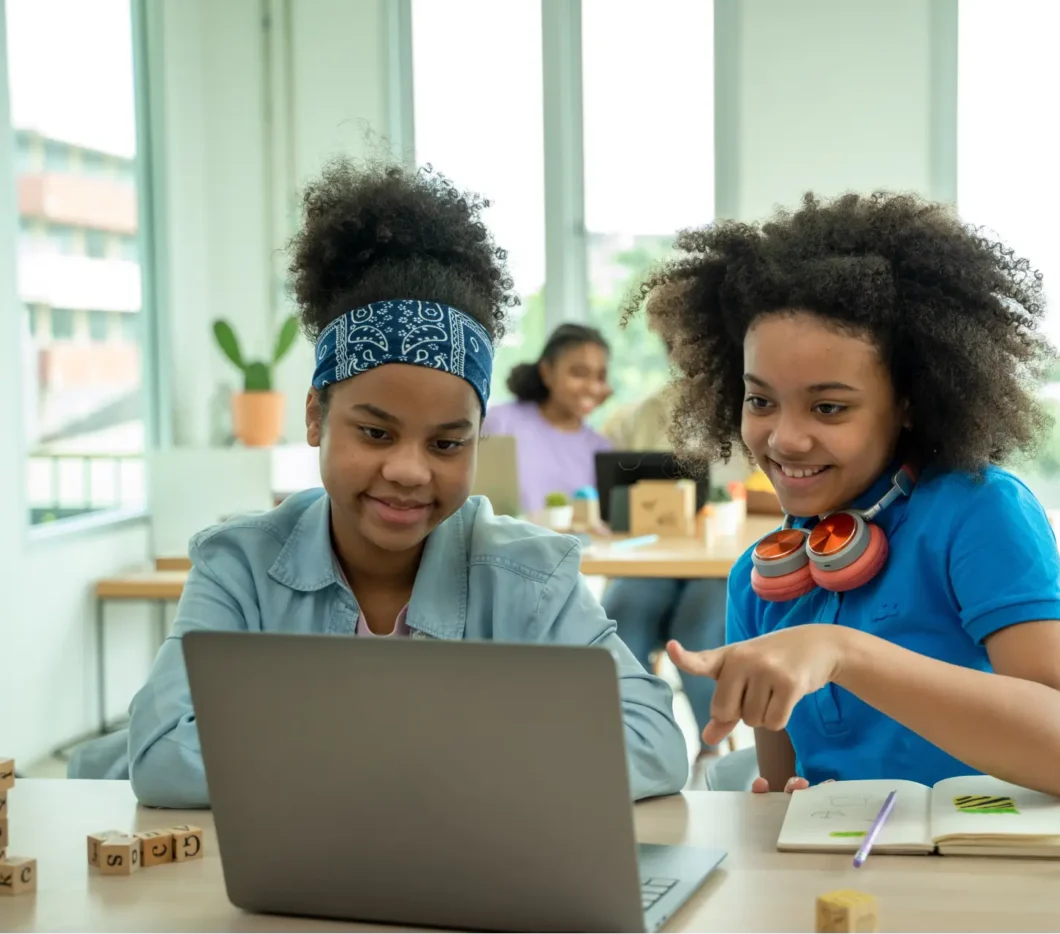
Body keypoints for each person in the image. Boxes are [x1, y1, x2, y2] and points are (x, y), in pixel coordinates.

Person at [125, 157, 689, 808]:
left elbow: (653, 742)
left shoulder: (531, 577)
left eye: (448, 443)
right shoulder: (241, 567)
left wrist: (332, 757)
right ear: (316, 417)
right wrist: (448, 757)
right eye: (375, 432)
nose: (409, 470)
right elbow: (164, 754)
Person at [620, 191, 1060, 801]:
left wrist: (841, 651)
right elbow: (783, 786)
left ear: (907, 402)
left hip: (987, 869)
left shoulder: (980, 513)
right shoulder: (759, 579)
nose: (785, 438)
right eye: (760, 400)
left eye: (829, 407)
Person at [598, 293, 750, 758]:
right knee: (621, 609)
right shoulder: (639, 417)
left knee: (701, 627)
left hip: (721, 559)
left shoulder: (750, 405)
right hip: (655, 557)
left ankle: (712, 745)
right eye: (673, 342)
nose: (682, 353)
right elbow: (613, 497)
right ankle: (628, 741)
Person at [481, 323, 613, 514]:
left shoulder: (601, 448)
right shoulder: (502, 422)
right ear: (547, 372)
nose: (593, 388)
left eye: (601, 377)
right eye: (579, 373)